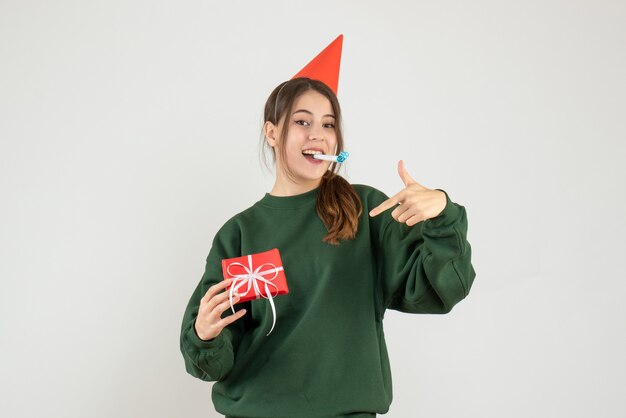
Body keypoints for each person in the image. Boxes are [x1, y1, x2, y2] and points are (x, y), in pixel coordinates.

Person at [180, 36, 475, 418]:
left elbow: (439, 291)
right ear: (272, 133)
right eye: (302, 122)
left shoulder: (364, 209)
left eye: (328, 124)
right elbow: (215, 360)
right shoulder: (240, 233)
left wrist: (442, 215)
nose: (317, 134)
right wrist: (205, 334)